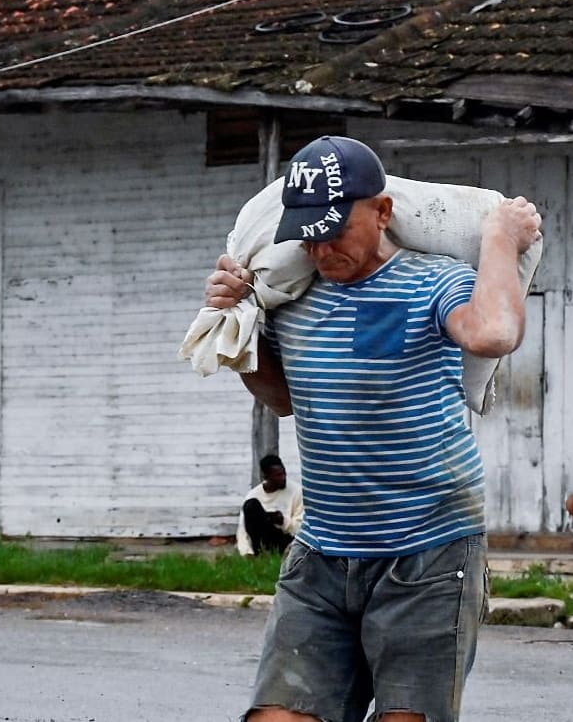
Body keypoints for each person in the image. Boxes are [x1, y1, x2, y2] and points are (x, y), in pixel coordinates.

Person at [203, 135, 542, 722]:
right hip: (322, 555)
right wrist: (238, 325)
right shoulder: (292, 297)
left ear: (382, 211)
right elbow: (282, 398)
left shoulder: (430, 282)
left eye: (335, 227)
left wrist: (499, 239)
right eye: (308, 231)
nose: (320, 246)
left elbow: (493, 333)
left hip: (428, 554)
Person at [237, 454, 304, 557]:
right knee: (251, 505)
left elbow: (300, 527)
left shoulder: (297, 491)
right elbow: (242, 530)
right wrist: (246, 552)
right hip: (261, 539)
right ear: (266, 476)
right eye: (278, 475)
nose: (283, 478)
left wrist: (283, 521)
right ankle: (260, 553)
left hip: (285, 539)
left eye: (283, 473)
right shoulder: (254, 494)